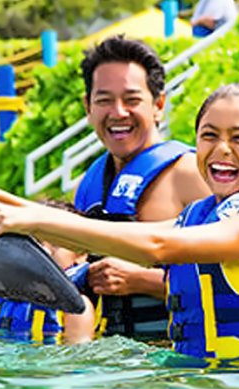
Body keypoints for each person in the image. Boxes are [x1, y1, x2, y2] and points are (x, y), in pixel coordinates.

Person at [0, 84, 239, 361]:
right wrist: (3, 202)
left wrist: (31, 216)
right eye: (208, 136)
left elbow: (156, 247)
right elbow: (136, 236)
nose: (221, 150)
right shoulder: (200, 216)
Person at [75, 36, 210, 340]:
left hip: (183, 371)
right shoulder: (88, 187)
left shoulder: (191, 175)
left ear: (158, 104)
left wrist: (143, 281)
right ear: (88, 107)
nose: (118, 112)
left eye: (132, 100)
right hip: (111, 370)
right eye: (104, 100)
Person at [0, 201, 95, 345]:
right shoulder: (10, 295)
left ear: (80, 255)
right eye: (35, 243)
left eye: (56, 244)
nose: (45, 252)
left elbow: (79, 358)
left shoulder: (78, 307)